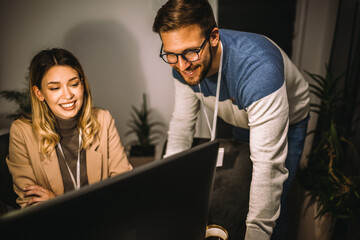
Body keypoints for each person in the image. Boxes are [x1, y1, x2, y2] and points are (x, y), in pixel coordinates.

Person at [153, 0, 310, 239]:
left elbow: (268, 168)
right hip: (244, 119)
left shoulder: (259, 69)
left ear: (214, 37)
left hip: (287, 121)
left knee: (275, 205)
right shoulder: (182, 61)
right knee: (244, 193)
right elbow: (182, 126)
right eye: (171, 55)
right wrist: (168, 188)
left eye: (190, 52)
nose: (182, 66)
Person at [6, 48, 132, 208]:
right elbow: (30, 204)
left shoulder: (103, 119)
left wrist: (57, 203)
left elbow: (123, 188)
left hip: (104, 224)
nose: (68, 95)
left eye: (73, 84)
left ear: (82, 84)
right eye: (55, 88)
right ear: (39, 93)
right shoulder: (21, 132)